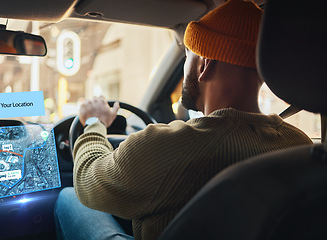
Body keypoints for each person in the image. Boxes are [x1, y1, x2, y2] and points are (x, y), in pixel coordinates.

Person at [54, 0, 313, 239]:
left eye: (188, 56)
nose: (185, 66)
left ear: (204, 64)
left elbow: (88, 180)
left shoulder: (166, 146)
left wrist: (93, 124)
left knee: (68, 198)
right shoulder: (301, 147)